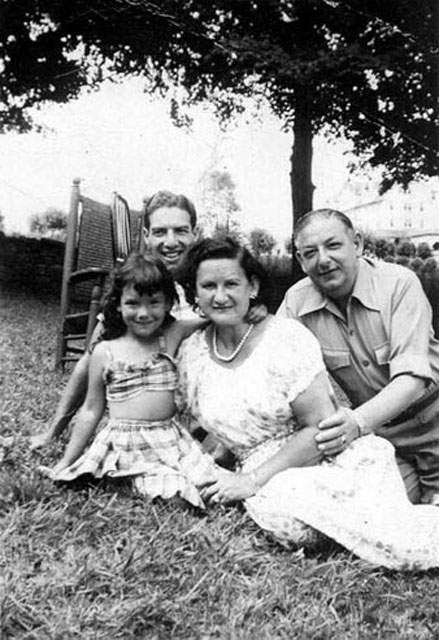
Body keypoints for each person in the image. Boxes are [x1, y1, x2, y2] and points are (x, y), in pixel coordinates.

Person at [176, 236, 439, 570]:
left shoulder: (284, 337)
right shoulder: (192, 353)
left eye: (231, 283)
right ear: (194, 293)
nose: (221, 295)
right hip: (260, 471)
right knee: (276, 509)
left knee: (283, 498)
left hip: (321, 457)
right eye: (208, 286)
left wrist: (253, 480)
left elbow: (319, 429)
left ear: (252, 286)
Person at [277, 208, 439, 506]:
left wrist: (356, 422)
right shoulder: (296, 302)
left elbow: (413, 378)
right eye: (310, 252)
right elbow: (270, 365)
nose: (323, 259)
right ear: (300, 261)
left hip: (433, 421)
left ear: (358, 244)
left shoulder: (399, 283)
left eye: (333, 245)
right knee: (373, 511)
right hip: (384, 440)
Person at [30, 190, 201, 450]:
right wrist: (53, 433)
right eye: (159, 232)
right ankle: (52, 431)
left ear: (195, 234)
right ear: (146, 236)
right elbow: (92, 358)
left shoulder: (209, 282)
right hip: (147, 415)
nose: (170, 241)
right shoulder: (135, 283)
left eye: (180, 231)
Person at [43, 253, 216, 507]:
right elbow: (91, 409)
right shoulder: (106, 351)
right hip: (127, 446)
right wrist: (66, 461)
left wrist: (253, 308)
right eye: (133, 303)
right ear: (118, 305)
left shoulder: (172, 333)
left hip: (171, 440)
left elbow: (216, 317)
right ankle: (130, 480)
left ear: (168, 303)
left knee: (213, 485)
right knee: (178, 496)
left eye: (154, 303)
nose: (144, 313)